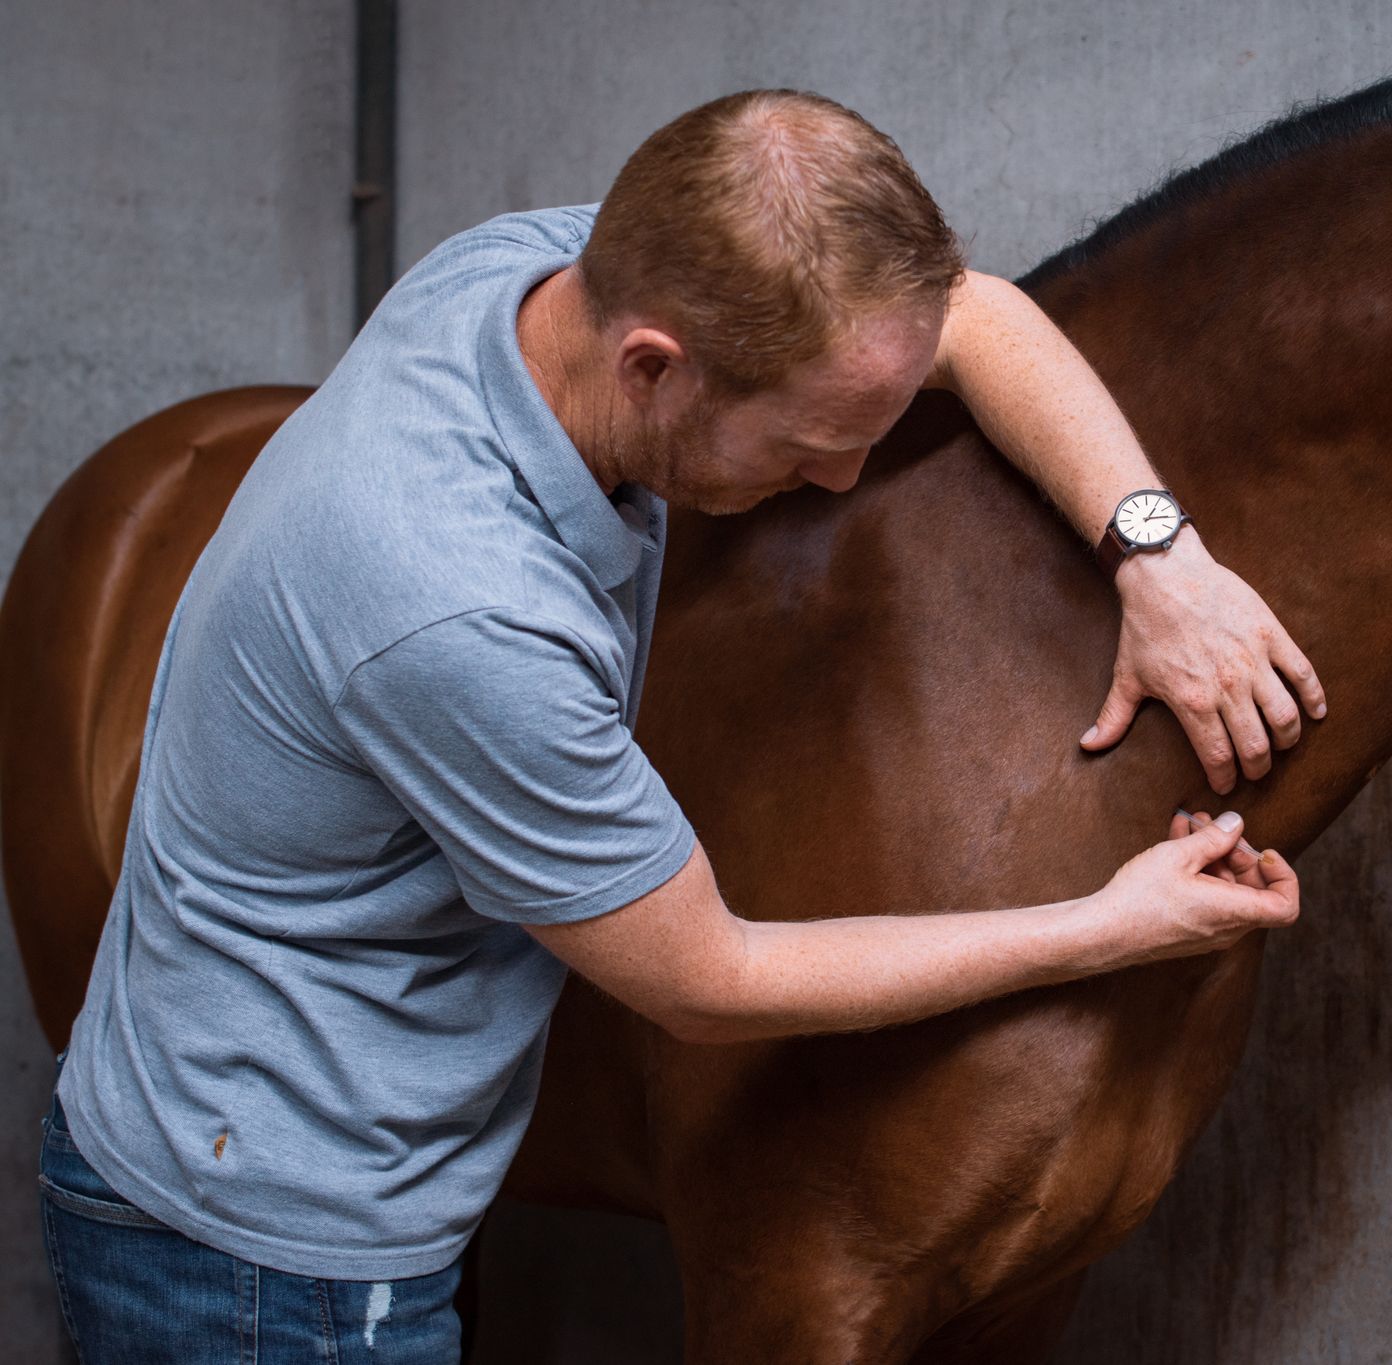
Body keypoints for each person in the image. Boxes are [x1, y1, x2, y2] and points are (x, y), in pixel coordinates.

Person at [39, 89, 1322, 1361]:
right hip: (262, 1259)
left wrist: (1157, 560)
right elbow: (709, 981)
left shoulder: (537, 276)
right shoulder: (461, 610)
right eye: (813, 443)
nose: (840, 480)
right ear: (657, 365)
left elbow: (972, 317)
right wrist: (1113, 924)